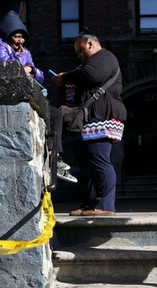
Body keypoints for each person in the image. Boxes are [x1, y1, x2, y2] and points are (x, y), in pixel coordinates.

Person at [0, 10, 77, 184]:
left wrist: (29, 69)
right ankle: (53, 160)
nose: (20, 41)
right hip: (2, 98)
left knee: (55, 115)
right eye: (17, 36)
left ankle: (56, 159)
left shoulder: (25, 51)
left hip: (23, 96)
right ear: (8, 35)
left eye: (22, 37)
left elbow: (38, 75)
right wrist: (25, 68)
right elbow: (7, 69)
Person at [52, 31, 127, 216]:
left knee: (99, 160)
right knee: (88, 164)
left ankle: (105, 205)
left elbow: (92, 75)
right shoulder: (90, 62)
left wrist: (67, 76)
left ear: (90, 44)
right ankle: (91, 204)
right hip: (92, 119)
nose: (79, 55)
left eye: (81, 50)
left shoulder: (105, 57)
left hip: (103, 118)